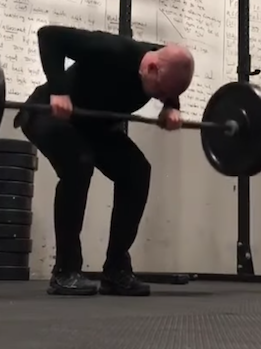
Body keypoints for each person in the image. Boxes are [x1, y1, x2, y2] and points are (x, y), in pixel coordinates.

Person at [13, 25, 195, 297]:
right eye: (159, 93)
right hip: (47, 113)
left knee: (136, 171)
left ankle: (116, 270)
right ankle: (65, 272)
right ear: (152, 68)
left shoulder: (161, 64)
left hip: (92, 125)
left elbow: (171, 79)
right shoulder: (113, 49)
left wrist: (172, 107)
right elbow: (49, 36)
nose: (158, 98)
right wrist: (59, 91)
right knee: (78, 163)